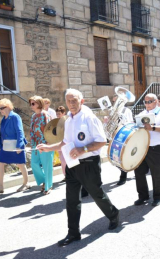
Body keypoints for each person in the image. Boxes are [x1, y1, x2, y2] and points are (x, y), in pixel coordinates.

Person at [37, 88, 119, 247]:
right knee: (72, 200)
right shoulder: (68, 120)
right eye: (68, 101)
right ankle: (73, 233)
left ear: (81, 101)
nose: (71, 103)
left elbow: (102, 141)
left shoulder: (89, 118)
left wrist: (83, 149)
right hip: (72, 165)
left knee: (97, 194)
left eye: (74, 100)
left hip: (89, 164)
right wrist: (48, 148)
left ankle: (113, 214)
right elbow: (64, 143)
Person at [133, 93, 160, 206]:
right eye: (145, 102)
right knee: (138, 171)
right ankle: (143, 196)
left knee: (156, 172)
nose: (147, 104)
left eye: (149, 102)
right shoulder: (142, 113)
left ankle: (157, 196)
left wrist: (152, 128)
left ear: (155, 101)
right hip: (143, 146)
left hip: (156, 147)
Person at [0, 99, 29, 193]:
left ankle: (26, 183)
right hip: (6, 145)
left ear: (8, 107)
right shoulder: (4, 118)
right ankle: (0, 186)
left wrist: (19, 145)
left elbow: (20, 131)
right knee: (0, 163)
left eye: (2, 108)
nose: (0, 110)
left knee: (20, 164)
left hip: (16, 144)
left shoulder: (15, 116)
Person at [104, 94, 134, 185]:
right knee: (114, 155)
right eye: (114, 101)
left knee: (121, 154)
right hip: (114, 135)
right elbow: (108, 124)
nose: (115, 103)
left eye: (116, 101)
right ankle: (125, 170)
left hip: (122, 135)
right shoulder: (112, 111)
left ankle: (123, 176)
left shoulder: (126, 110)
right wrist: (106, 121)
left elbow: (130, 123)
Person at [29, 96, 54, 195]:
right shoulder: (33, 116)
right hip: (36, 144)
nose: (31, 105)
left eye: (33, 103)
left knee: (47, 165)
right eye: (30, 103)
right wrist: (32, 143)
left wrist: (48, 143)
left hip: (46, 143)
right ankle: (44, 180)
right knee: (34, 164)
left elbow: (50, 129)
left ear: (39, 104)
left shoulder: (45, 115)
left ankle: (48, 185)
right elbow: (32, 131)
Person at [56, 106, 67, 181]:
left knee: (66, 160)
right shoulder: (55, 122)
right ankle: (65, 175)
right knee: (62, 161)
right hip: (59, 142)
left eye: (59, 114)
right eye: (57, 114)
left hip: (66, 142)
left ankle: (69, 175)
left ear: (63, 113)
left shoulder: (67, 121)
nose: (58, 115)